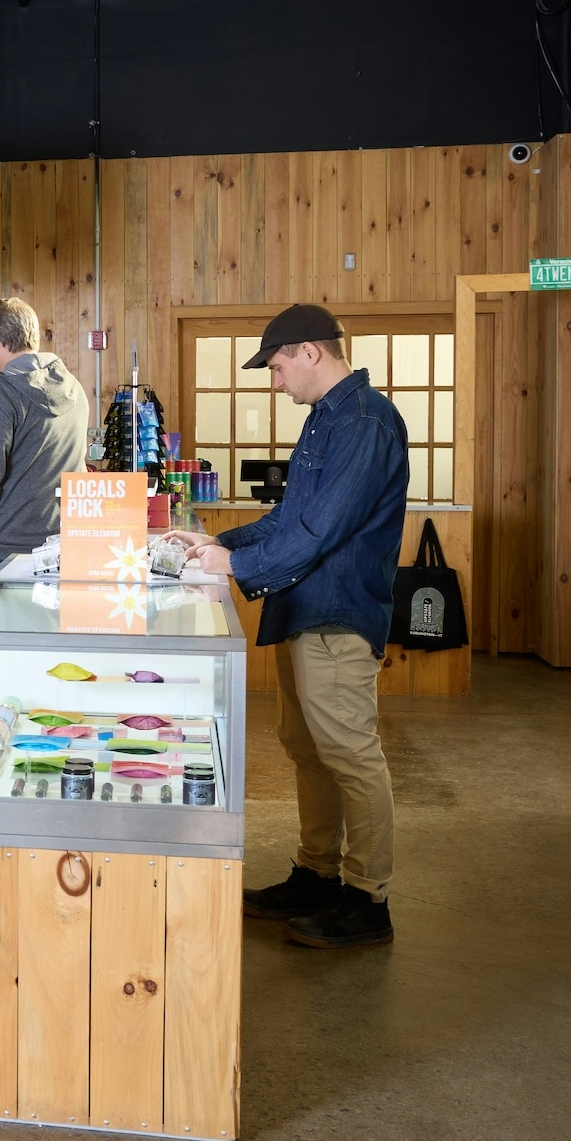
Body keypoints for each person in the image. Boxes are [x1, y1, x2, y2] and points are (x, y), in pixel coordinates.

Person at [173, 303, 408, 949]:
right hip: (303, 607)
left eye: (277, 367)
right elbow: (287, 517)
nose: (276, 382)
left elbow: (319, 529)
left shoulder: (364, 422)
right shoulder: (325, 418)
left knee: (350, 754)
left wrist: (236, 564)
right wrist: (216, 543)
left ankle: (367, 899)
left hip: (337, 612)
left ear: (311, 351)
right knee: (308, 748)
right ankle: (317, 874)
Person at [0, 297, 89, 573]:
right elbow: (31, 441)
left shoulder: (1, 391)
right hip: (63, 545)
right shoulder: (72, 387)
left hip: (9, 548)